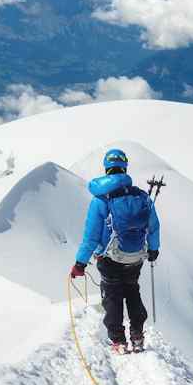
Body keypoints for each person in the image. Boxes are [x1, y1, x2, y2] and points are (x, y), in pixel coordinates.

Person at [69, 148, 161, 353]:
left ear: (106, 168)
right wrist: (153, 249)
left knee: (112, 296)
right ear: (124, 166)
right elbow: (153, 226)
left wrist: (80, 264)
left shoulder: (101, 200)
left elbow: (91, 237)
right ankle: (137, 335)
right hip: (136, 256)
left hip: (109, 258)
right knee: (132, 290)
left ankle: (119, 342)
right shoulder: (141, 196)